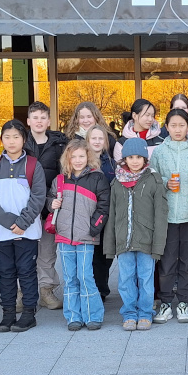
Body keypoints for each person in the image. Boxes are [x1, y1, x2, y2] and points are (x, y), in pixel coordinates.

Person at [0, 119, 46, 333]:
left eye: (16, 137)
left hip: (28, 230)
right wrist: (10, 222)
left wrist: (22, 222)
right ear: (1, 140)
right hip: (1, 231)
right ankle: (7, 313)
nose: (11, 141)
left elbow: (38, 196)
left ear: (24, 139)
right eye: (7, 137)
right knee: (6, 272)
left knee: (27, 271)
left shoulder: (33, 165)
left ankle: (28, 313)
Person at [103, 138, 168, 331]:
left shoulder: (154, 179)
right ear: (124, 159)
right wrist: (110, 244)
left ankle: (146, 313)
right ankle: (129, 313)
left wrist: (158, 245)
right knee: (125, 279)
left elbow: (160, 214)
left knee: (145, 278)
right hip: (124, 240)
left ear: (145, 159)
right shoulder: (117, 182)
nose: (135, 161)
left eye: (139, 157)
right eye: (130, 157)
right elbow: (112, 214)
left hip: (146, 240)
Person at [148, 109, 188, 324]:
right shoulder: (161, 152)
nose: (178, 130)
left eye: (182, 125)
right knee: (167, 262)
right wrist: (165, 182)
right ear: (167, 127)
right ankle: (165, 303)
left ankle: (183, 302)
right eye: (173, 125)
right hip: (168, 215)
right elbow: (151, 179)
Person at [47, 139, 110, 330]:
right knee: (70, 277)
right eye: (73, 156)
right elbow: (50, 199)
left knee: (85, 276)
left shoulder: (97, 178)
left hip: (86, 237)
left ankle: (93, 315)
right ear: (67, 158)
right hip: (64, 235)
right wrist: (51, 204)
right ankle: (73, 316)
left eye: (81, 156)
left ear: (88, 156)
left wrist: (94, 228)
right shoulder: (60, 179)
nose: (77, 160)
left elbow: (104, 206)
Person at [24, 101, 69, 311]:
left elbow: (65, 174)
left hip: (50, 207)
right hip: (25, 208)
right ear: (28, 121)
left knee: (47, 252)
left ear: (49, 121)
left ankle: (46, 291)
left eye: (43, 117)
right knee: (23, 252)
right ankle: (23, 292)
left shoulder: (60, 144)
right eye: (35, 117)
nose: (39, 121)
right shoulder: (20, 142)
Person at [86, 124, 116, 300]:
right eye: (93, 138)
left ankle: (102, 289)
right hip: (86, 215)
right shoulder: (81, 160)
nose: (97, 141)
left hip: (106, 216)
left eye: (100, 138)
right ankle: (93, 291)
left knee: (105, 256)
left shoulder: (111, 163)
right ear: (87, 141)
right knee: (90, 256)